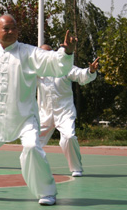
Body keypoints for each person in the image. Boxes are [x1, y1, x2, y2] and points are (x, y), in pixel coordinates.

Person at [0, 14, 77, 206]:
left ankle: (46, 192)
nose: (11, 31)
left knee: (32, 147)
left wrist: (67, 52)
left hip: (24, 117)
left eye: (14, 27)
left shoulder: (29, 53)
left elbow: (55, 64)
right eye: (6, 28)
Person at [37, 44, 99, 178]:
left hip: (64, 112)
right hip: (44, 114)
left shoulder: (64, 67)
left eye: (47, 53)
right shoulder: (36, 71)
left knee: (69, 137)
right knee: (32, 142)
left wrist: (90, 71)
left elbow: (81, 75)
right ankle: (32, 167)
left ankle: (76, 168)